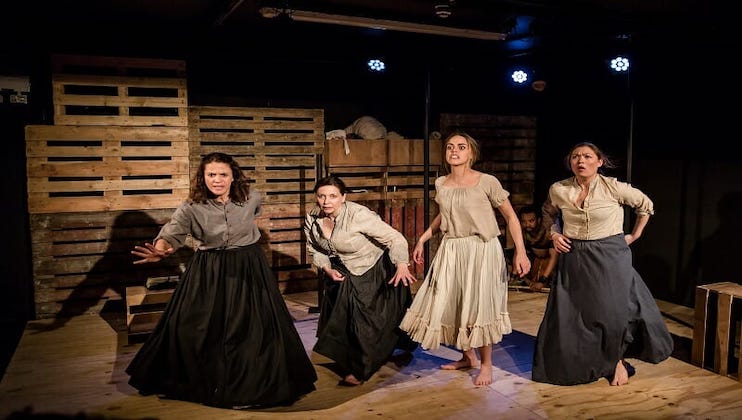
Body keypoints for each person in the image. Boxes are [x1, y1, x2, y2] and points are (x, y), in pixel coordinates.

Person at [125, 152, 317, 408]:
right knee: (194, 326)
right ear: (202, 178)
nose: (217, 180)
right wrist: (161, 249)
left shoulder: (251, 197)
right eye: (211, 175)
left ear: (233, 176)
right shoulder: (191, 207)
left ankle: (250, 386)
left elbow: (254, 215)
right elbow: (172, 232)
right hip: (210, 268)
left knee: (252, 327)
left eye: (223, 174)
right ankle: (199, 380)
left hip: (247, 266)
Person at [531, 142, 673, 387]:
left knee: (611, 312)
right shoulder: (559, 189)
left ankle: (616, 361)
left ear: (599, 161)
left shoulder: (614, 188)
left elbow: (645, 205)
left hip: (609, 254)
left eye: (587, 156)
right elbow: (548, 213)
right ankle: (580, 360)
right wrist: (555, 234)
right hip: (575, 255)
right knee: (575, 313)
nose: (580, 161)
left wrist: (634, 236)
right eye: (575, 157)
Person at [399, 132, 531, 386]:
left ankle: (486, 364)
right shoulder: (441, 183)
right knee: (455, 302)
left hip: (482, 249)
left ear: (471, 153)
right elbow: (444, 214)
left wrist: (520, 251)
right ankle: (467, 356)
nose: (454, 151)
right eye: (450, 147)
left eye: (461, 147)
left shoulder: (486, 182)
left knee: (480, 304)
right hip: (452, 248)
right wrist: (423, 238)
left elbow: (511, 217)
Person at [304, 175, 418, 386]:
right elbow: (315, 248)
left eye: (332, 196)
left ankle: (360, 369)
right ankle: (355, 358)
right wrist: (327, 268)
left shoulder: (359, 215)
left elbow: (395, 238)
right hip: (341, 270)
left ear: (343, 197)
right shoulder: (313, 217)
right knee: (344, 319)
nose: (326, 201)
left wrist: (402, 263)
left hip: (372, 267)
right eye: (321, 196)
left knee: (364, 322)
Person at [517, 205, 558, 292]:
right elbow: (518, 253)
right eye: (524, 221)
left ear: (539, 220)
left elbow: (554, 257)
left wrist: (542, 280)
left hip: (551, 265)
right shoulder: (522, 232)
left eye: (531, 221)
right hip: (534, 262)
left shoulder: (548, 232)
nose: (527, 224)